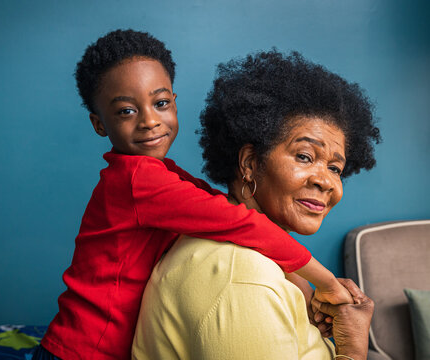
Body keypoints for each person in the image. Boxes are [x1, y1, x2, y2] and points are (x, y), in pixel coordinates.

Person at [37, 31, 352, 360]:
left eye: (161, 104)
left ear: (174, 101)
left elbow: (213, 203)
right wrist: (326, 282)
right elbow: (238, 221)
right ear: (99, 124)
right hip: (83, 351)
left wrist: (294, 281)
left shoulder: (160, 172)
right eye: (127, 111)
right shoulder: (138, 181)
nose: (149, 121)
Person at [132, 50, 380, 360]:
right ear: (250, 163)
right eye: (304, 156)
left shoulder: (257, 261)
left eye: (335, 168)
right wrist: (354, 350)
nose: (326, 182)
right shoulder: (243, 279)